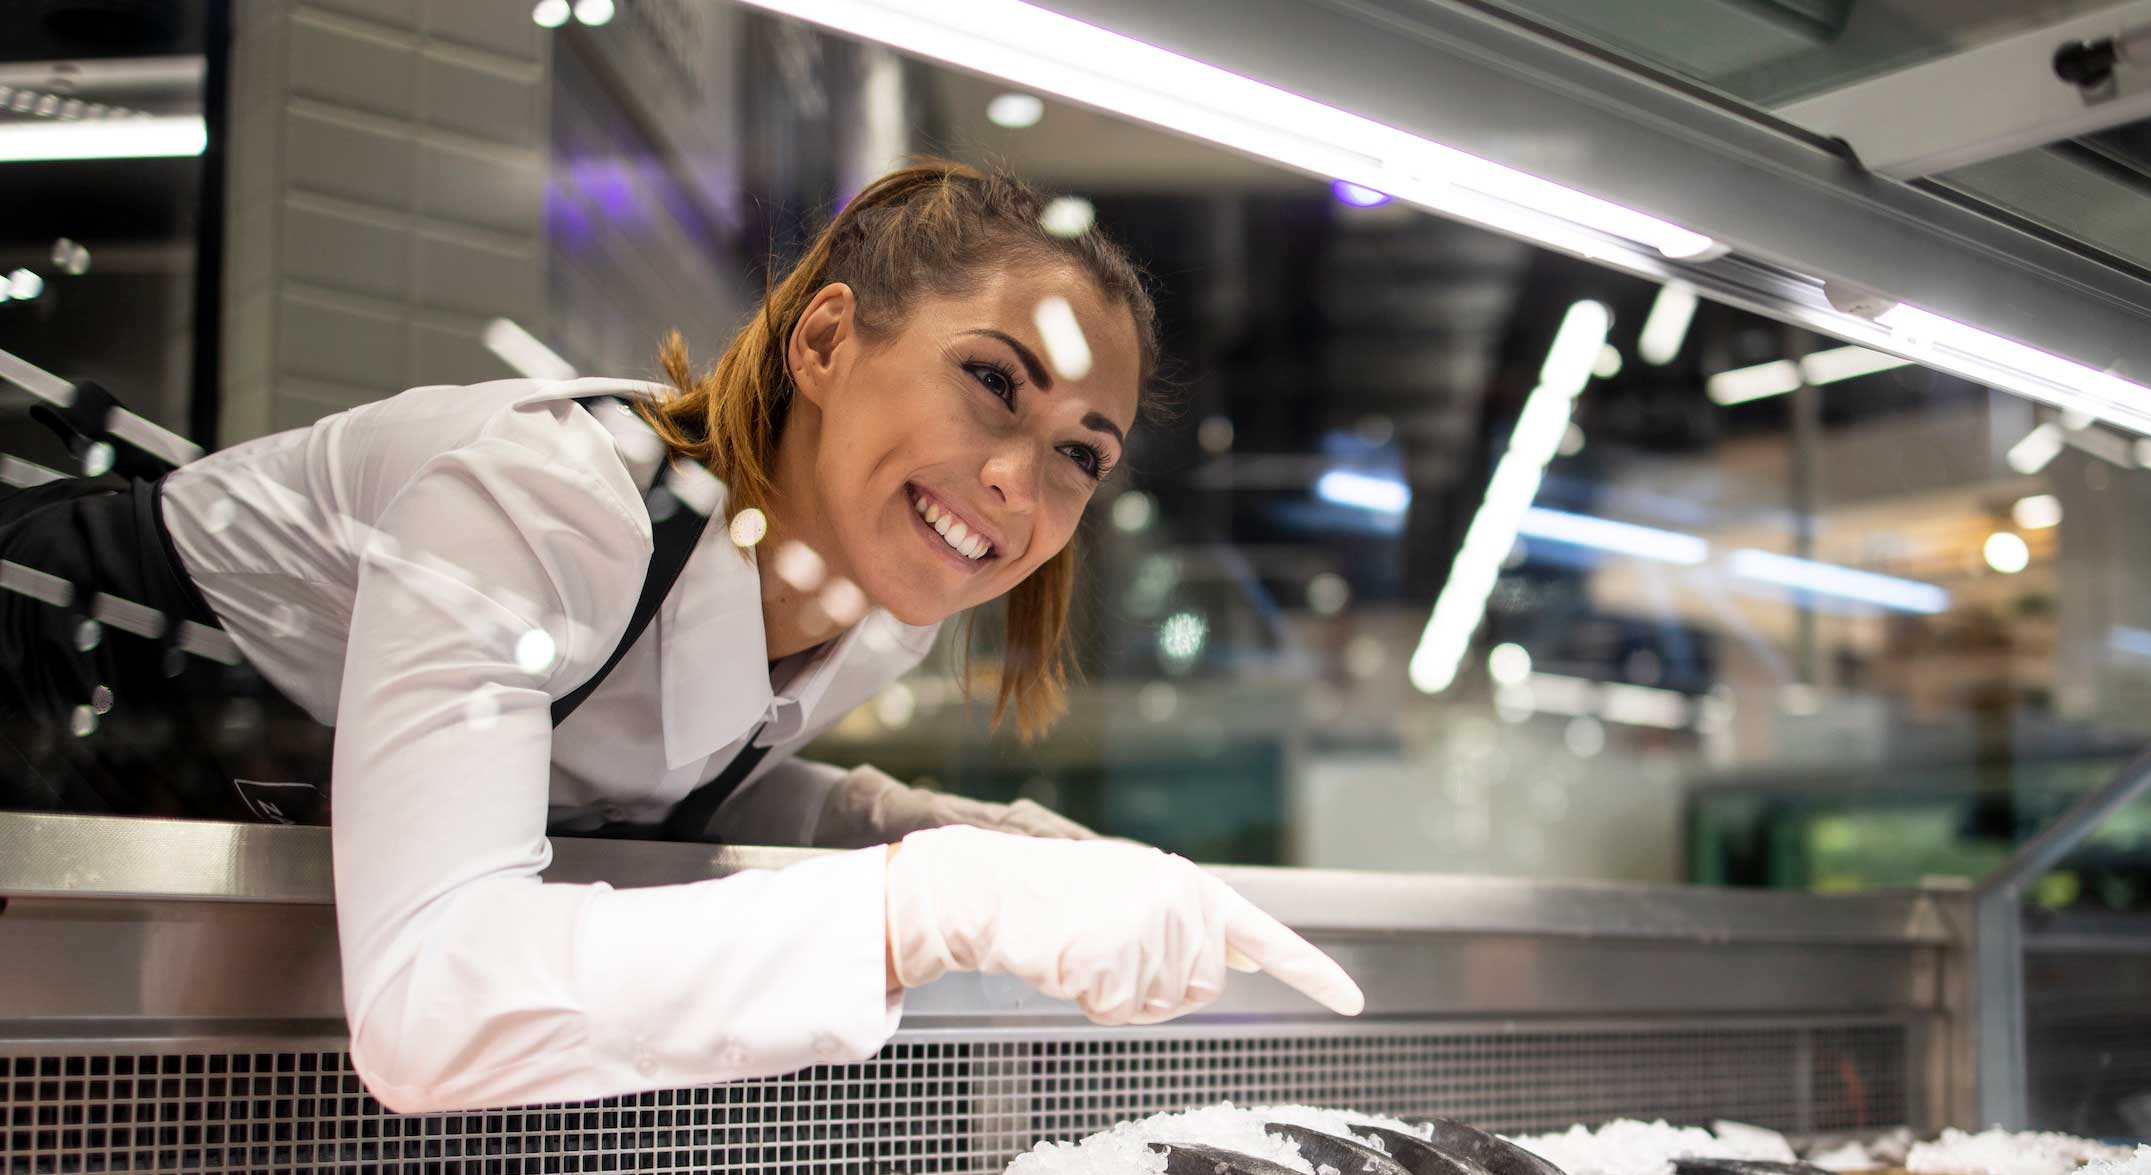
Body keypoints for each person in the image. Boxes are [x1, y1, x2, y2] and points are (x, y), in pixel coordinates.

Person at [0, 160, 1363, 1113]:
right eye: (992, 383)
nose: (1019, 481)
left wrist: (926, 826)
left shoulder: (877, 608)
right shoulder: (544, 504)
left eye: (1080, 454)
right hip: (48, 737)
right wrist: (926, 904)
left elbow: (633, 750)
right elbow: (428, 1009)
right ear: (827, 342)